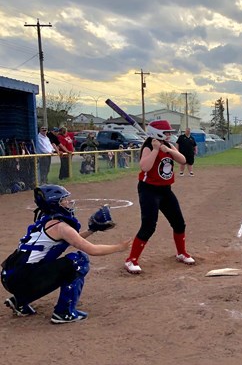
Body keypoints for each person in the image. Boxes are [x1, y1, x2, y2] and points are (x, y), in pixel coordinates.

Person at [1, 185, 130, 324]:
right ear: (54, 204)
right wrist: (119, 247)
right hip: (22, 280)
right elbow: (92, 250)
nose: (68, 202)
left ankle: (20, 301)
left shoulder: (46, 222)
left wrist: (91, 230)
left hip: (11, 276)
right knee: (79, 261)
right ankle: (64, 312)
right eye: (63, 200)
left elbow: (71, 240)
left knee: (49, 267)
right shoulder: (61, 227)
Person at [124, 120, 195, 274]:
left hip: (165, 190)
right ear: (156, 132)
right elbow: (145, 167)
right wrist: (156, 150)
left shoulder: (167, 145)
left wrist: (168, 150)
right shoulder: (149, 146)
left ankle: (181, 253)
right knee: (149, 226)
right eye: (167, 132)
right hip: (149, 190)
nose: (169, 135)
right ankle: (131, 260)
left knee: (179, 223)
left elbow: (183, 160)